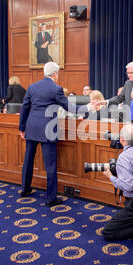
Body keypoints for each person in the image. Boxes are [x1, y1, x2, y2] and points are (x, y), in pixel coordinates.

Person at [19, 62, 88, 206]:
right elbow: (70, 107)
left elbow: (25, 108)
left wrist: (22, 127)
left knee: (28, 160)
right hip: (47, 129)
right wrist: (88, 107)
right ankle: (51, 198)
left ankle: (25, 189)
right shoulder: (56, 89)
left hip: (32, 128)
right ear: (55, 74)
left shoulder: (32, 87)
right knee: (50, 164)